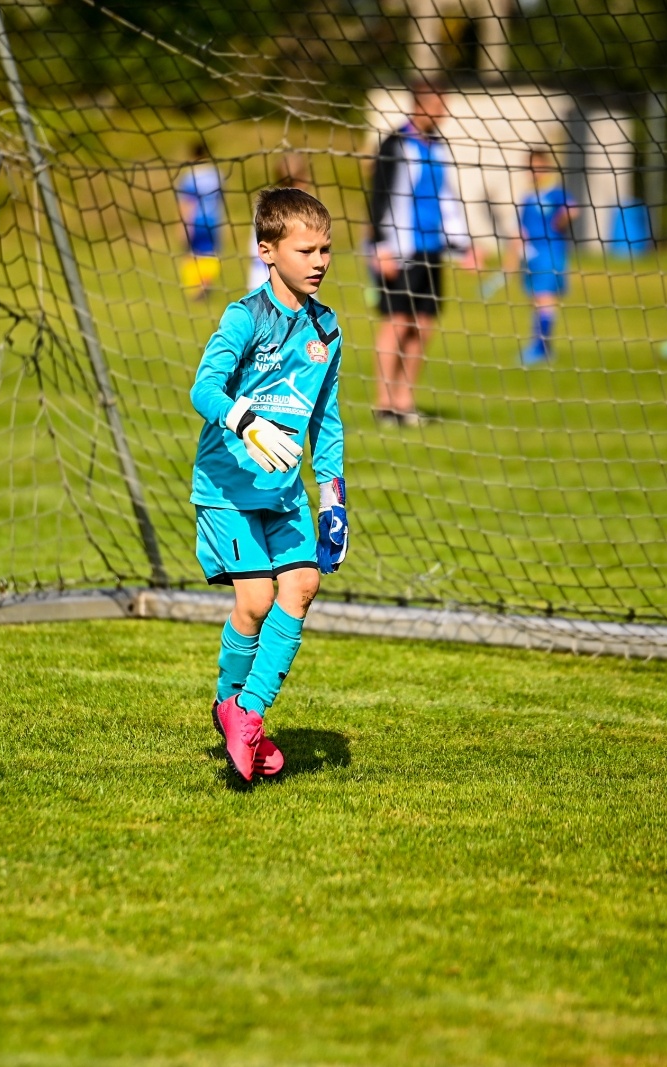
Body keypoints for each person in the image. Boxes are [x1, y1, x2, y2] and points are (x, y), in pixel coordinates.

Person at [188, 187, 345, 783]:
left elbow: (327, 418)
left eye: (326, 249)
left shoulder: (326, 330)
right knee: (253, 603)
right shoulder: (243, 316)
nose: (320, 261)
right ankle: (229, 706)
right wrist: (245, 420)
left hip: (285, 492)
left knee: (302, 586)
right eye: (306, 250)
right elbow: (203, 388)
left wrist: (333, 495)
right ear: (268, 251)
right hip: (227, 488)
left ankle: (246, 714)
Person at [366, 78, 471, 424]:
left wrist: (463, 245)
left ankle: (404, 401)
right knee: (396, 321)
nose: (444, 112)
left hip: (432, 249)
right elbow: (377, 198)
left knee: (423, 325)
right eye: (439, 105)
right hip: (399, 248)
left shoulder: (437, 148)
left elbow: (446, 199)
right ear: (421, 105)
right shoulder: (395, 144)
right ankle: (383, 404)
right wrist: (380, 246)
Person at [510, 146, 576, 365]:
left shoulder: (555, 192)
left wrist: (561, 220)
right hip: (531, 255)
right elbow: (522, 228)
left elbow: (573, 208)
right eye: (529, 168)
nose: (532, 172)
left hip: (550, 252)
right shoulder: (528, 196)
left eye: (537, 167)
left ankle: (540, 349)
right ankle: (540, 347)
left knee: (545, 297)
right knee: (535, 300)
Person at [246, 152, 311, 292]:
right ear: (301, 180)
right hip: (288, 282)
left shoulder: (263, 204)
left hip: (259, 280)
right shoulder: (303, 210)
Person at [176, 141, 225, 301]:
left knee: (191, 254)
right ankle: (206, 282)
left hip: (195, 221)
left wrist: (182, 226)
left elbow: (187, 203)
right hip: (213, 220)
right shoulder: (218, 175)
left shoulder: (190, 176)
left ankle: (198, 287)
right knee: (210, 253)